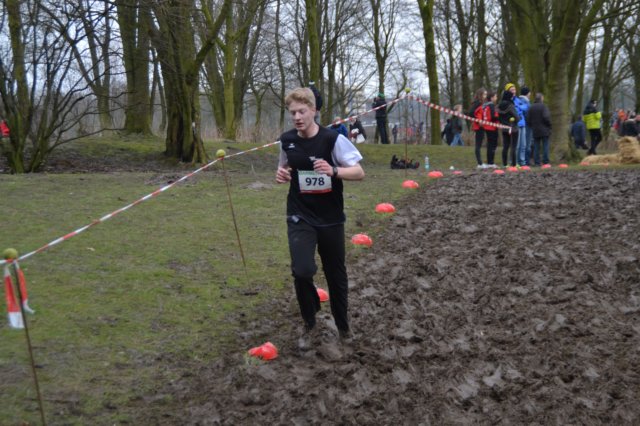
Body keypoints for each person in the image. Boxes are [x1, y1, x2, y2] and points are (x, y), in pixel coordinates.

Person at [275, 87, 365, 348]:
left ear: (313, 110)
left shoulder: (332, 139)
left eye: (302, 111)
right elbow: (284, 166)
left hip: (330, 217)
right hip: (300, 214)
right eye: (293, 112)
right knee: (302, 271)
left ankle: (343, 327)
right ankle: (310, 321)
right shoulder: (287, 140)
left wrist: (334, 171)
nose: (297, 117)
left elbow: (359, 172)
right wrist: (281, 174)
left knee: (335, 275)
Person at [527, 93, 552, 166]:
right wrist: (549, 125)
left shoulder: (531, 107)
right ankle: (546, 161)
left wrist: (532, 125)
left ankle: (537, 162)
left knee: (536, 146)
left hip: (535, 129)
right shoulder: (544, 106)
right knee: (545, 146)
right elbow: (546, 117)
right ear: (541, 98)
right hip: (544, 129)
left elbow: (528, 119)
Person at [497, 90, 520, 167]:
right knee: (513, 146)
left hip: (504, 128)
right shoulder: (510, 106)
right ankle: (514, 164)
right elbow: (517, 117)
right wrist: (518, 118)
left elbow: (499, 118)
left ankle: (505, 164)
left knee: (505, 146)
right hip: (513, 128)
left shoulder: (499, 106)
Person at [468, 88, 487, 168]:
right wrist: (478, 120)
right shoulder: (478, 103)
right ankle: (480, 163)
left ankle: (480, 163)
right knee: (478, 145)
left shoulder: (481, 103)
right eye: (484, 94)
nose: (485, 96)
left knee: (479, 144)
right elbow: (471, 113)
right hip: (478, 126)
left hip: (481, 126)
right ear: (480, 95)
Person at [514, 86, 531, 166]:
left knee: (522, 144)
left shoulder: (519, 100)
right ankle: (520, 161)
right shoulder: (525, 101)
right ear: (527, 93)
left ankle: (521, 161)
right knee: (522, 144)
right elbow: (526, 111)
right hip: (523, 123)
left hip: (523, 123)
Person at [482, 91, 500, 168]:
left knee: (490, 144)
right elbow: (493, 117)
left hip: (487, 126)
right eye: (495, 96)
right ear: (492, 98)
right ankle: (491, 162)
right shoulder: (491, 105)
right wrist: (499, 117)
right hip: (492, 127)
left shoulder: (485, 105)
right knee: (492, 145)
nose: (496, 98)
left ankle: (490, 162)